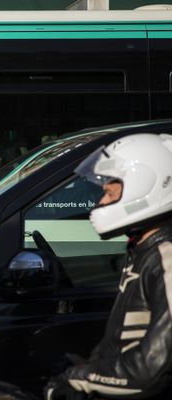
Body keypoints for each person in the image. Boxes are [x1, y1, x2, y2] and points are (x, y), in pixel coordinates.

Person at [44, 133, 172, 400]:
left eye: (110, 193)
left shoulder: (166, 257)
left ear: (148, 187)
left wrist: (78, 379)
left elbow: (151, 368)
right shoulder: (141, 252)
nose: (101, 203)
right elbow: (123, 340)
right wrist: (86, 366)